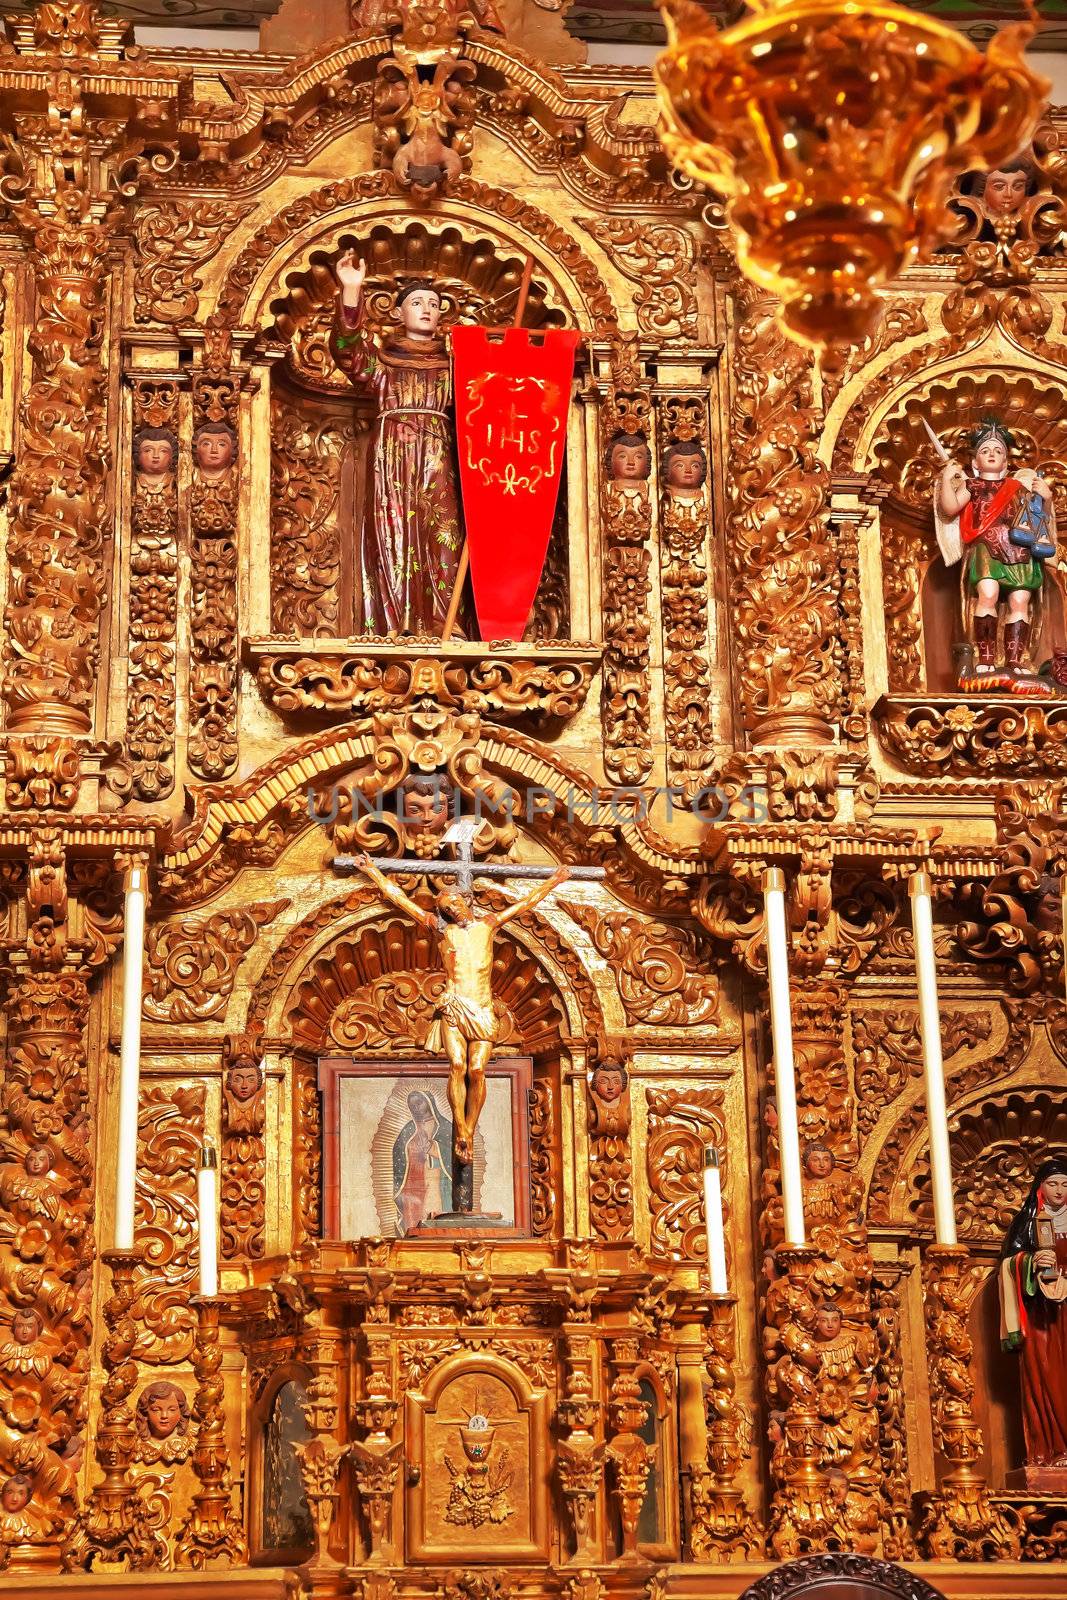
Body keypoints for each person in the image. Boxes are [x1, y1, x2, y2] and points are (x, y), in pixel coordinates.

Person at [354, 853, 570, 1184]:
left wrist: (553, 881)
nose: (451, 910)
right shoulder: (443, 931)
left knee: (478, 1069)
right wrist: (374, 873)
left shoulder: (488, 925)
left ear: (466, 899)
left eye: (454, 904)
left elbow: (525, 904)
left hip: (481, 1009)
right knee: (456, 1067)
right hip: (454, 1005)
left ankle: (468, 1125)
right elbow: (402, 903)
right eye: (445, 908)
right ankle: (462, 1132)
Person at [332, 252, 465, 636]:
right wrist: (352, 290)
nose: (427, 309)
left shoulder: (454, 363)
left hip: (439, 451)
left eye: (435, 305)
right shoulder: (383, 363)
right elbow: (346, 350)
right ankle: (396, 623)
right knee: (392, 532)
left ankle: (445, 622)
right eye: (418, 302)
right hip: (392, 454)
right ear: (399, 313)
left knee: (443, 535)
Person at [934, 417, 1057, 688]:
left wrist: (1046, 498)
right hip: (986, 547)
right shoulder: (972, 486)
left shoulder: (1019, 487)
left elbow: (1038, 520)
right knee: (987, 594)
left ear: (1007, 461)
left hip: (1020, 549)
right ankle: (986, 657)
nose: (992, 454)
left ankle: (1015, 661)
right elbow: (950, 508)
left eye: (998, 450)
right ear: (975, 462)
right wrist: (946, 479)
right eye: (985, 450)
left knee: (1020, 602)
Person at [1000, 1156, 1067, 1467]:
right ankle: (1054, 1449)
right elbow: (1007, 1264)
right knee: (1047, 1375)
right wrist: (1029, 1263)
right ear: (1040, 1187)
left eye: (1066, 1184)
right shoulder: (1028, 1223)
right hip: (1043, 1317)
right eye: (1053, 1183)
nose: (1060, 1191)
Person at [392, 1089, 451, 1233]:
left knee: (433, 1214)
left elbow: (454, 1155)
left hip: (436, 1180)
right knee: (414, 1219)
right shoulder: (408, 1129)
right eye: (412, 1105)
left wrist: (433, 1147)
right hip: (413, 1182)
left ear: (430, 1103)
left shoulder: (444, 1127)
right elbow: (398, 1153)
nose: (416, 1107)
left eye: (419, 1103)